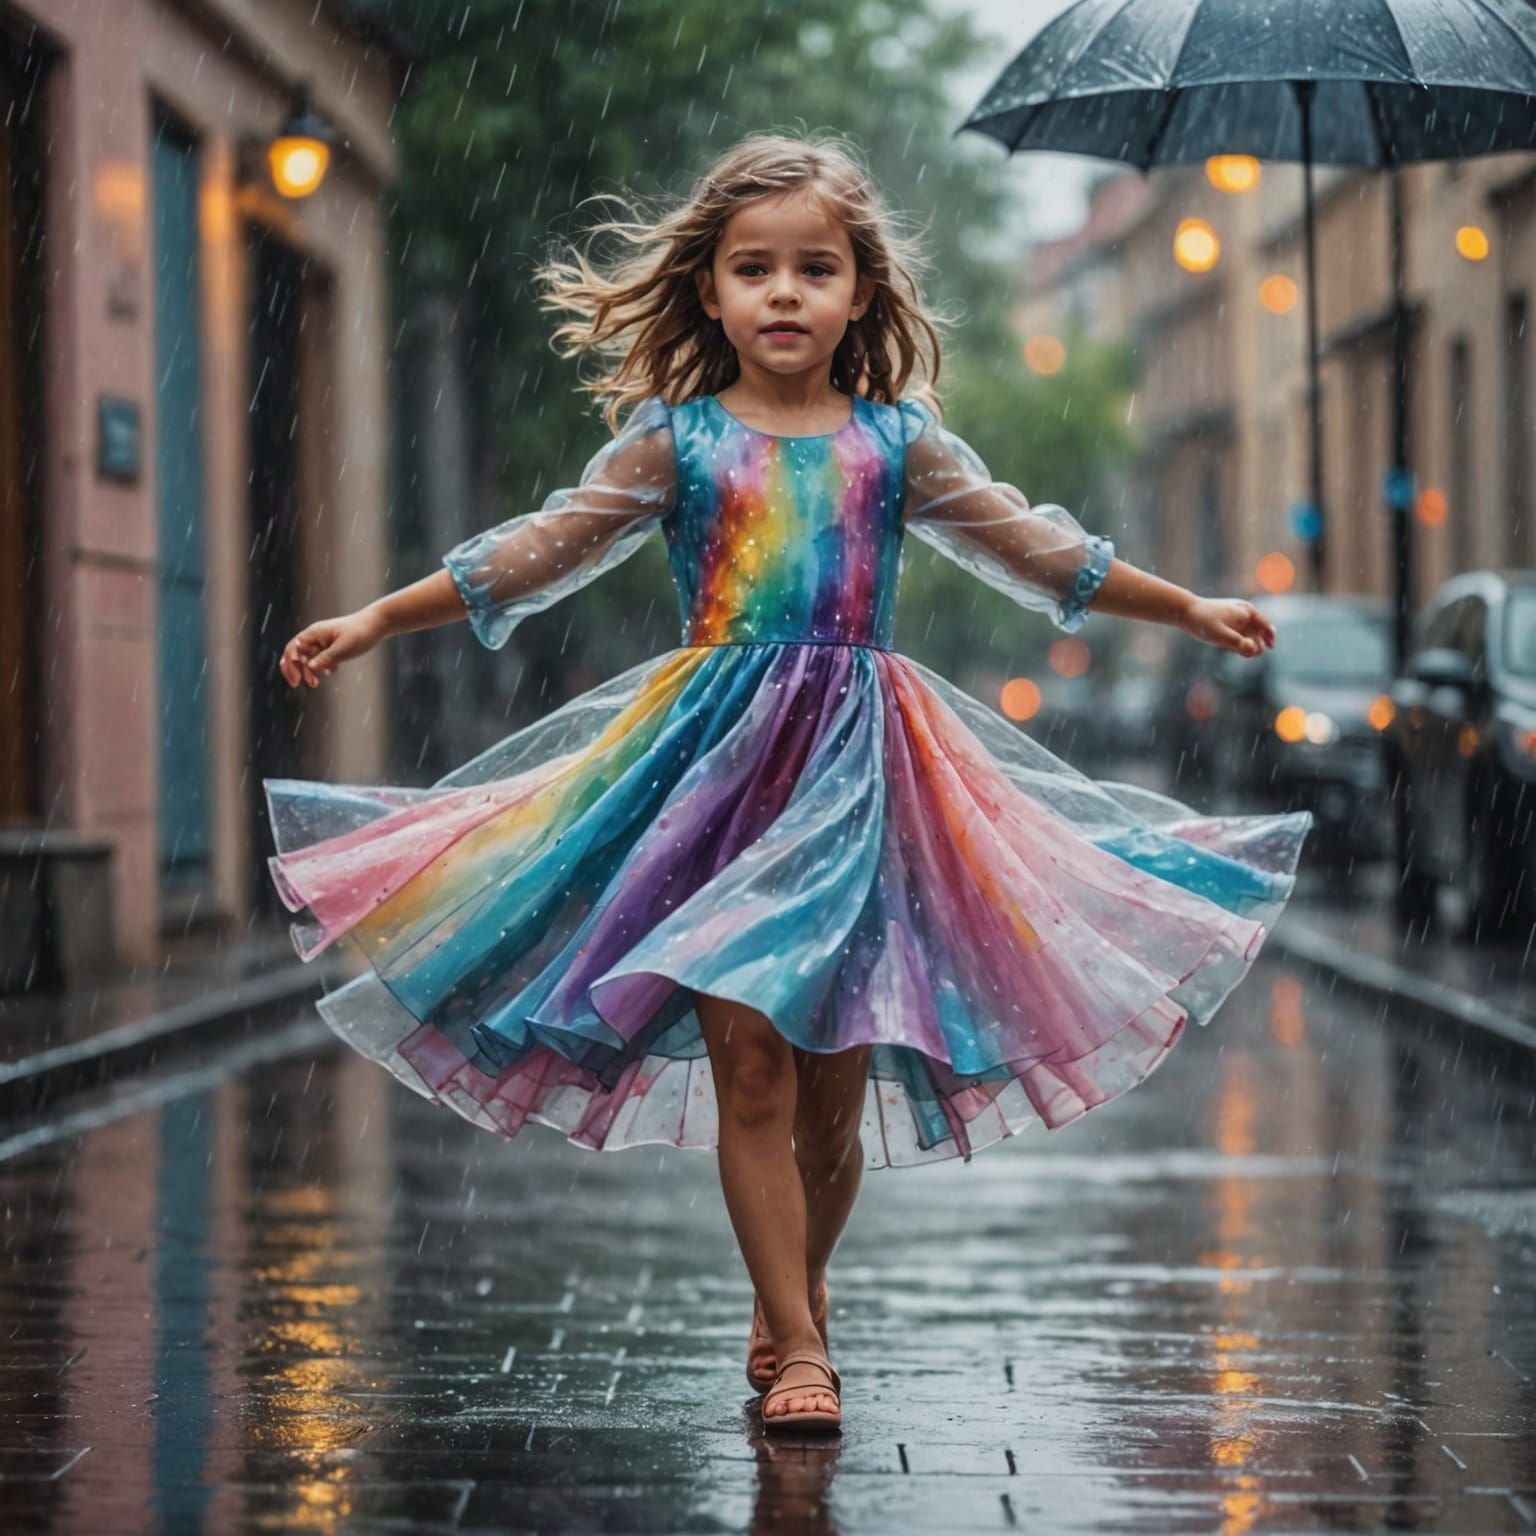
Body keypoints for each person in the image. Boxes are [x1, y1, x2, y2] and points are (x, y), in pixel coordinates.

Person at [266, 130, 1313, 1436]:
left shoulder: (897, 445)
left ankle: (796, 1288)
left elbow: (1044, 548)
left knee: (832, 1098)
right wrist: (374, 620)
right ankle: (805, 1349)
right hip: (712, 781)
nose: (782, 293)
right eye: (752, 269)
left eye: (813, 270)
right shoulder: (679, 445)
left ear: (859, 292)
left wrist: (1190, 607)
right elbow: (538, 550)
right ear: (707, 289)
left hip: (868, 784)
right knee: (751, 1076)